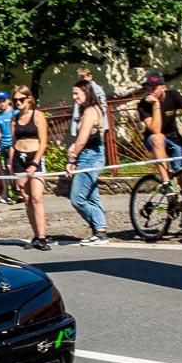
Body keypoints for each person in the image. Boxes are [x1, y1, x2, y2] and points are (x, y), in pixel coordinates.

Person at [137, 72, 182, 188]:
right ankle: (166, 183)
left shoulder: (173, 95)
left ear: (163, 87)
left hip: (174, 138)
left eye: (154, 89)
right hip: (153, 140)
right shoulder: (143, 105)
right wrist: (156, 105)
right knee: (158, 137)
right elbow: (155, 129)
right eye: (148, 88)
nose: (150, 92)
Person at [65, 80, 109, 244]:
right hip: (87, 155)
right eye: (73, 93)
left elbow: (83, 139)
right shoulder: (87, 111)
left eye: (77, 93)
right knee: (92, 196)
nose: (74, 97)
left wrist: (72, 158)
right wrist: (74, 150)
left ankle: (99, 227)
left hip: (91, 157)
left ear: (87, 92)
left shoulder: (90, 111)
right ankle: (100, 233)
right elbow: (81, 139)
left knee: (77, 198)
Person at [10, 86, 50, 250]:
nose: (18, 102)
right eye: (15, 100)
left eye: (21, 99)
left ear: (29, 99)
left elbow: (43, 142)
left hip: (35, 157)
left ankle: (42, 237)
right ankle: (35, 236)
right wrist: (11, 164)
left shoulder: (38, 116)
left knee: (37, 198)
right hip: (19, 159)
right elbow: (13, 143)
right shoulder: (14, 119)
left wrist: (35, 163)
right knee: (26, 199)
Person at [0, 89, 19, 204]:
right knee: (5, 169)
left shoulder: (15, 113)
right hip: (4, 146)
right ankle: (11, 192)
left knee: (11, 167)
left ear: (8, 100)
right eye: (0, 101)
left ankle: (18, 190)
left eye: (3, 100)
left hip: (13, 145)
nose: (2, 103)